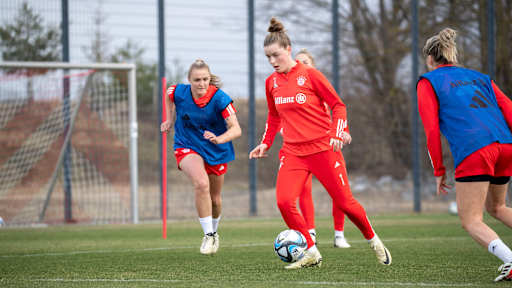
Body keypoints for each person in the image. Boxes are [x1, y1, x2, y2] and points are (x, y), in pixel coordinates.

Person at [249, 17, 391, 269]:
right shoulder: (271, 83)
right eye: (267, 57)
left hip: (324, 149)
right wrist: (266, 143)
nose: (272, 61)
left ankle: (374, 240)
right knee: (284, 201)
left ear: (288, 50)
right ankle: (312, 252)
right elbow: (273, 116)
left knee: (346, 204)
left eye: (276, 55)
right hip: (293, 153)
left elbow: (338, 105)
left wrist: (337, 132)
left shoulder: (311, 75)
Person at [418, 28, 512, 282]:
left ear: (429, 59)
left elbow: (431, 131)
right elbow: (509, 109)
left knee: (471, 220)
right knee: (497, 207)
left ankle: (511, 261)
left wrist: (439, 171)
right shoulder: (481, 77)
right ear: (452, 55)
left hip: (475, 149)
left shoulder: (428, 82)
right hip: (505, 145)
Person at [161, 59, 241, 255]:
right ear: (189, 80)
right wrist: (169, 119)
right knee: (201, 183)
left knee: (215, 199)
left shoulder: (221, 99)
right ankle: (209, 235)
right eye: (197, 80)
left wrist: (219, 138)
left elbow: (236, 129)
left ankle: (214, 231)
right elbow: (168, 94)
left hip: (216, 149)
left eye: (205, 79)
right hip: (186, 145)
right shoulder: (179, 92)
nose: (202, 84)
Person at [294, 48, 351, 248]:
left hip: (327, 147)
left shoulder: (322, 90)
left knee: (340, 193)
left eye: (305, 62)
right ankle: (311, 234)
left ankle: (339, 235)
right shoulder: (293, 94)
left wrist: (343, 132)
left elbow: (338, 111)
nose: (301, 66)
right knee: (304, 190)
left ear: (314, 67)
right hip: (302, 151)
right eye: (297, 62)